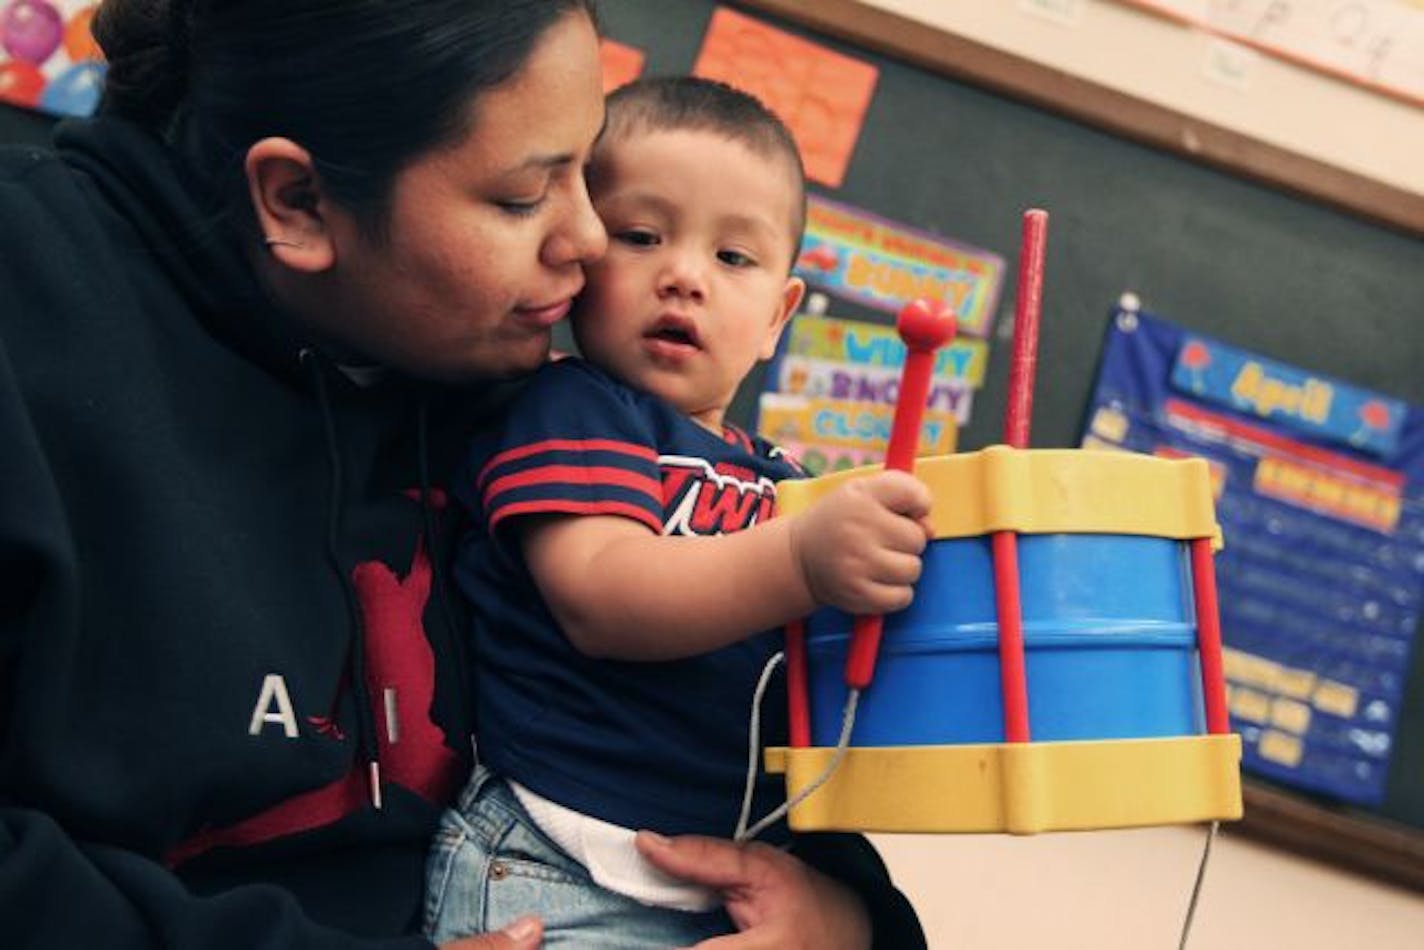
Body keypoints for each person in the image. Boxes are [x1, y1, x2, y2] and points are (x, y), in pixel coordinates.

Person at [0, 2, 925, 948]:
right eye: (525, 197)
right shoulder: (34, 315)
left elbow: (700, 737)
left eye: (587, 175)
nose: (592, 242)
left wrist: (849, 924)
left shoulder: (492, 361)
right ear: (299, 201)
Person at [427, 77, 933, 948]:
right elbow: (601, 596)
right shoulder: (571, 407)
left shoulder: (783, 484)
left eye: (733, 258)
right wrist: (805, 564)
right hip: (559, 862)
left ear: (777, 316)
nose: (684, 276)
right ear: (581, 256)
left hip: (710, 888)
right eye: (641, 236)